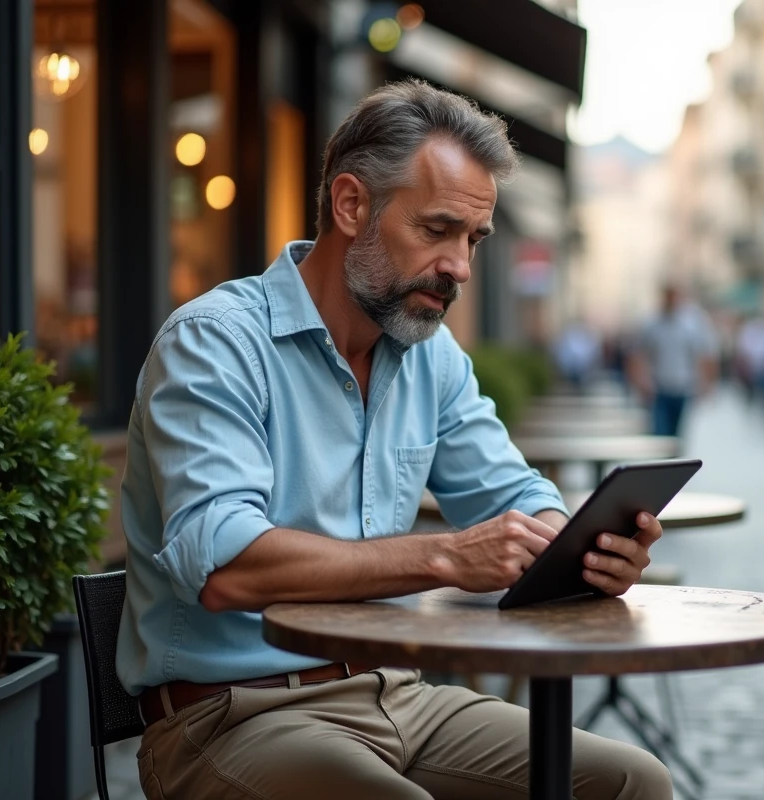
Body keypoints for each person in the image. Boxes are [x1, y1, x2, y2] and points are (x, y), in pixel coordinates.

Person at [115, 81, 672, 800]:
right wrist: (444, 554)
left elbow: (518, 492)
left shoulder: (430, 357)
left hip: (400, 696)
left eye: (473, 240)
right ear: (352, 206)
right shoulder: (214, 344)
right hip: (233, 715)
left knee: (631, 782)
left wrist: (575, 548)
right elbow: (228, 569)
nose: (461, 267)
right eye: (437, 230)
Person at [628, 283, 718, 438]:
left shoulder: (691, 324)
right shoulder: (651, 324)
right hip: (659, 388)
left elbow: (704, 355)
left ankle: (675, 460)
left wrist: (706, 384)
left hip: (683, 387)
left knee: (678, 435)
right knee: (660, 433)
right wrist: (641, 382)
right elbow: (638, 354)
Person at [551, 317, 601, 393]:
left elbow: (591, 353)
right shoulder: (569, 336)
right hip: (572, 368)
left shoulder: (584, 336)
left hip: (581, 368)